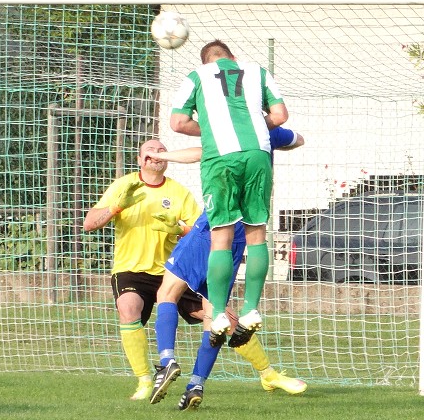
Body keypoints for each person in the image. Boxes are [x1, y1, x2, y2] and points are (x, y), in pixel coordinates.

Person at [148, 127, 306, 409]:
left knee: (167, 293)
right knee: (215, 316)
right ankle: (196, 383)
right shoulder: (267, 131)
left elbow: (200, 151)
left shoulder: (227, 124)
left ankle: (166, 360)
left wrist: (164, 154)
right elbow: (298, 139)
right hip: (243, 236)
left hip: (214, 228)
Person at [169, 39, 289, 350]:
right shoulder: (258, 72)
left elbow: (178, 122)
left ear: (206, 61)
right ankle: (250, 310)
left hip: (219, 158)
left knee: (220, 235)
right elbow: (280, 115)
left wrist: (209, 128)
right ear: (232, 58)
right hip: (256, 153)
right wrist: (251, 123)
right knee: (257, 233)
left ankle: (220, 313)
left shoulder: (195, 77)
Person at [83, 139, 202, 401]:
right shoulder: (124, 185)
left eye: (162, 150)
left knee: (221, 316)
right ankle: (145, 381)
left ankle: (267, 373)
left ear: (168, 158)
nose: (156, 155)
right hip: (131, 270)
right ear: (140, 160)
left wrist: (179, 229)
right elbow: (89, 223)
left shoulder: (180, 192)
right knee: (128, 308)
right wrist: (116, 207)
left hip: (172, 270)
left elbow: (202, 235)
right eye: (150, 152)